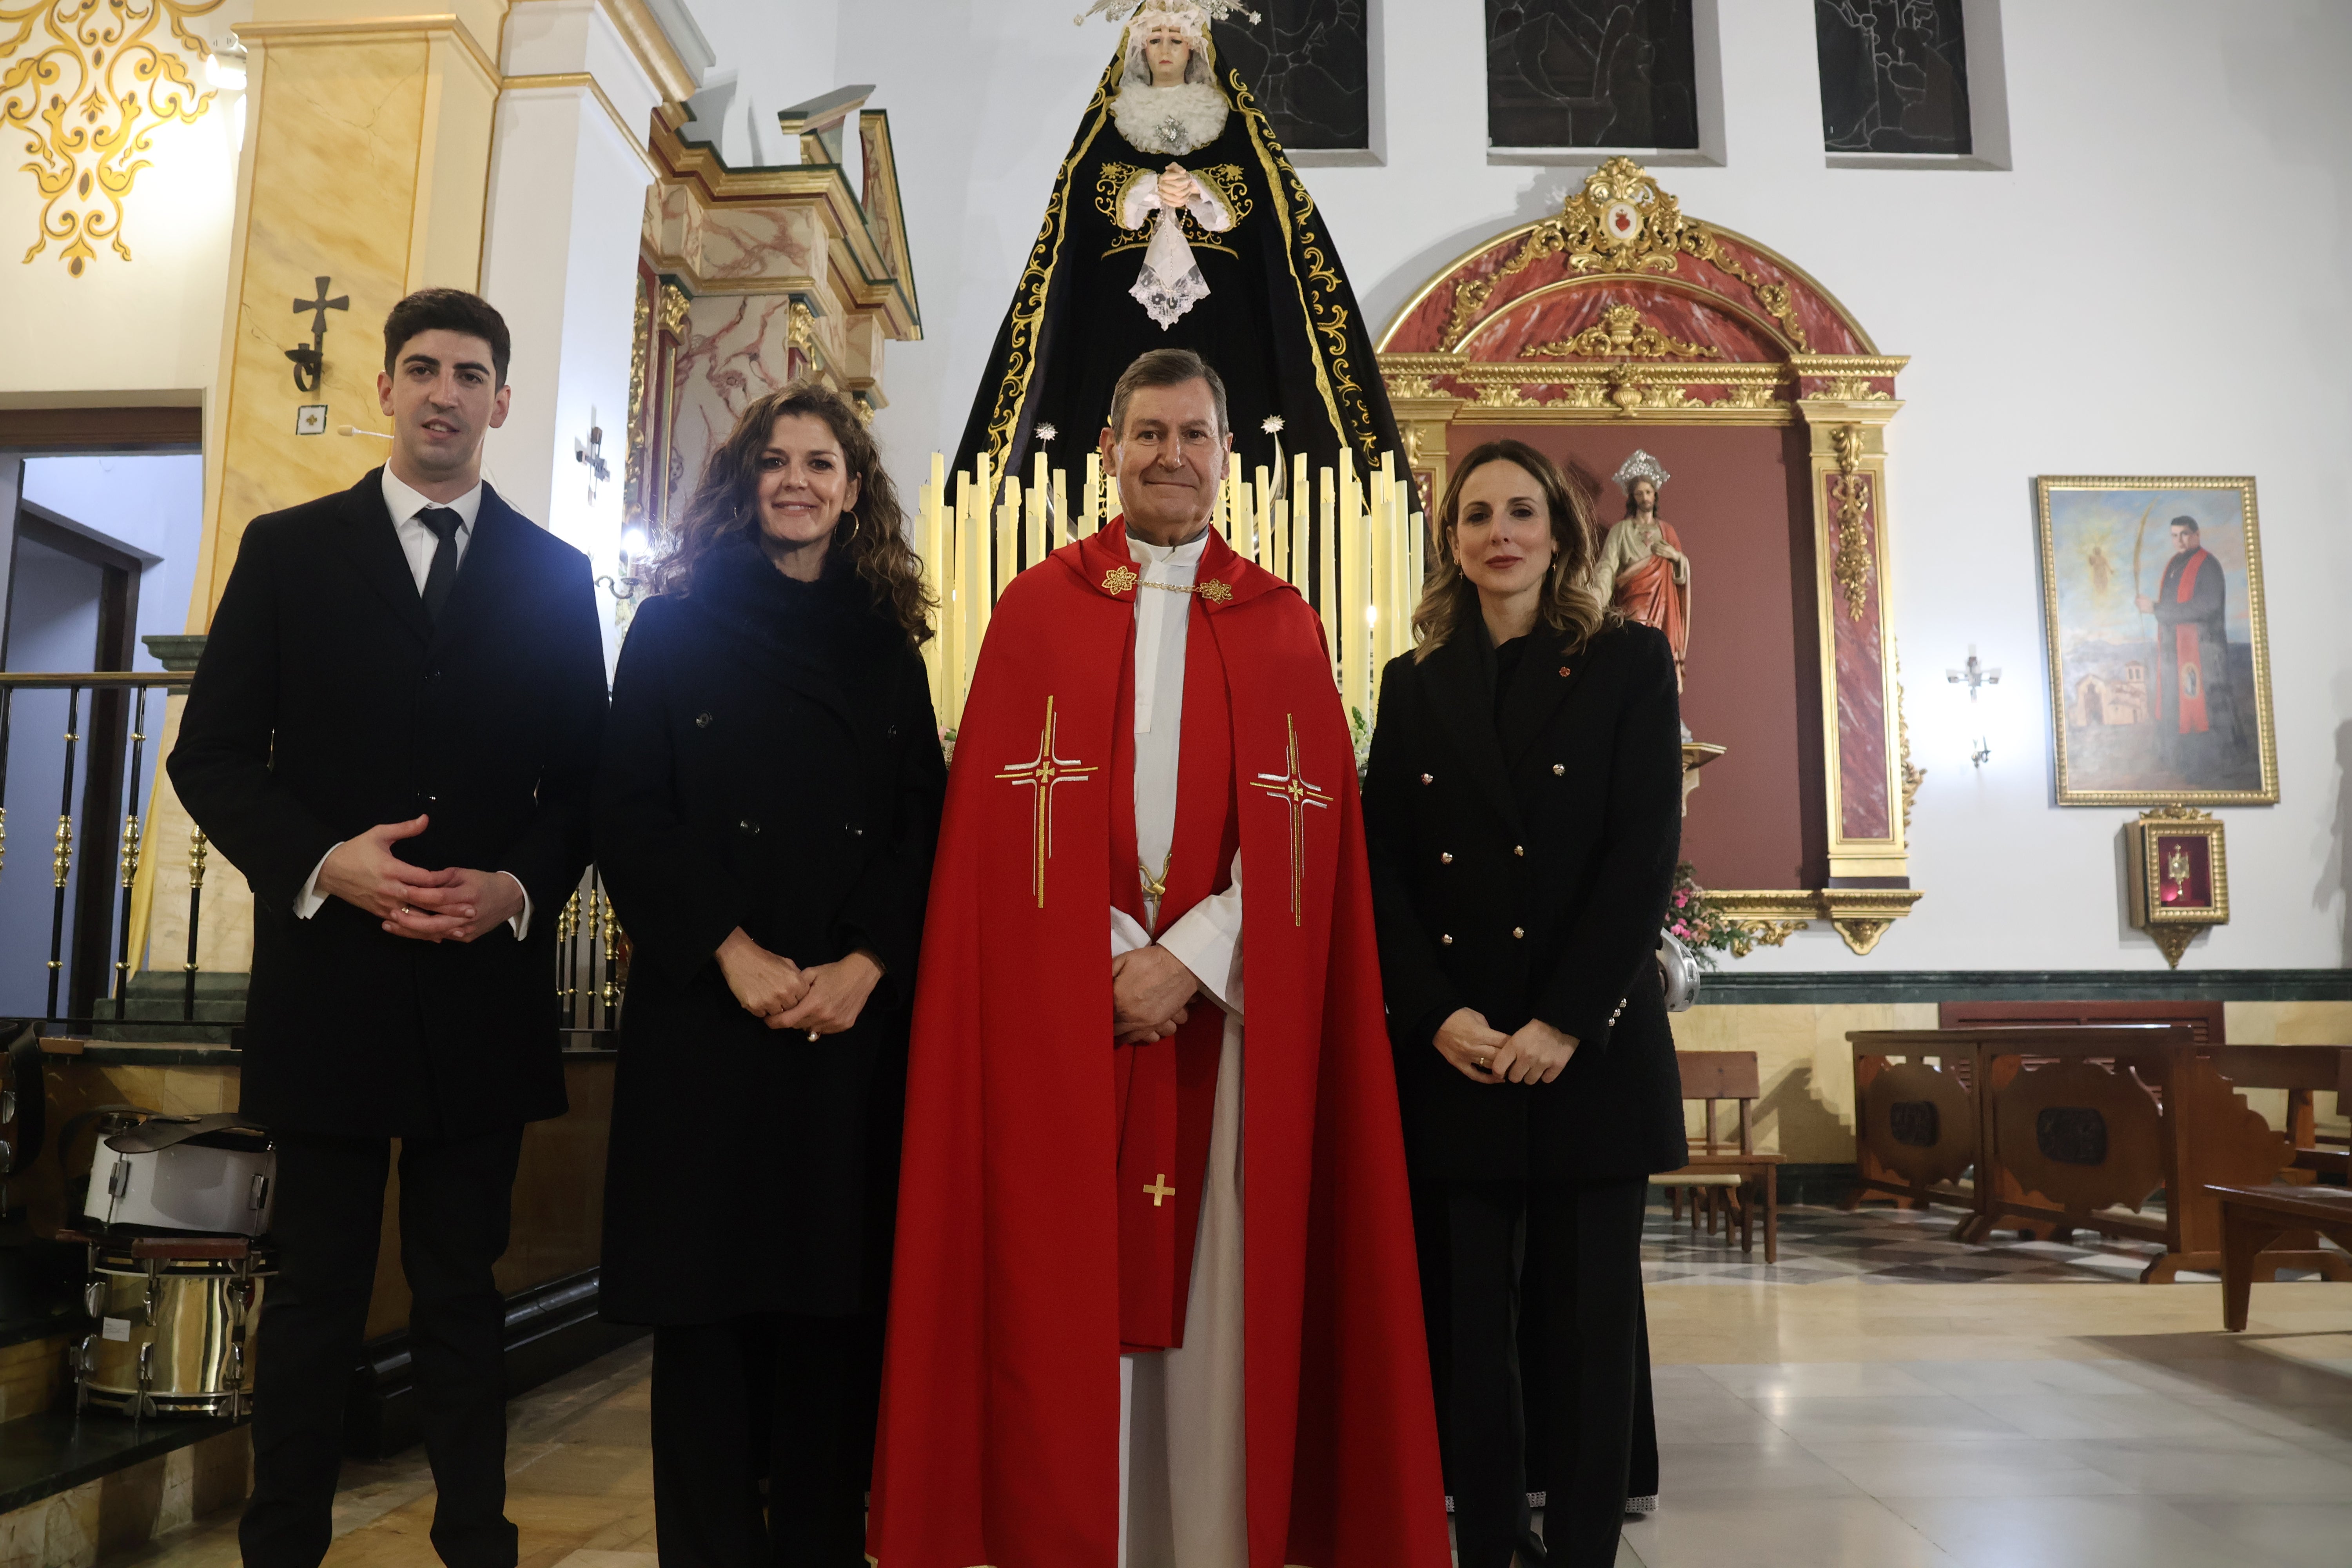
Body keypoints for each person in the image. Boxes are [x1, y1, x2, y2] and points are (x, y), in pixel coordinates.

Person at [869, 348, 1449, 1568]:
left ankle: (1206, 1540)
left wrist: (1186, 957)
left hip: (1230, 1023)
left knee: (1223, 1296)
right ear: (1108, 452)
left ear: (1223, 455)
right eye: (1146, 432)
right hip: (1062, 1016)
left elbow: (1310, 831)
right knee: (1057, 1283)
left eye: (1191, 433)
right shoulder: (1035, 610)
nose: (1169, 454)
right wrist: (1103, 955)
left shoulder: (1283, 624)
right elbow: (992, 822)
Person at [169, 289, 608, 1568]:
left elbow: (582, 785)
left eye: (469, 373)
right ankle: (279, 1552)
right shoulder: (289, 550)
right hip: (332, 985)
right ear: (383, 389)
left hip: (480, 988)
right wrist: (324, 862)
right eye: (420, 368)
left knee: (466, 1297)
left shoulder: (555, 574)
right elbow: (214, 758)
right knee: (311, 1301)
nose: (442, 393)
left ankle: (478, 1544)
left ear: (502, 403)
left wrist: (515, 890)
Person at [592, 383, 945, 1567]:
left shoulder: (889, 649)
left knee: (828, 1330)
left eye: (822, 463)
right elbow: (628, 810)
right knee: (703, 1330)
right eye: (776, 461)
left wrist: (865, 964)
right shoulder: (671, 626)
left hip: (844, 1030)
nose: (797, 479)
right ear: (745, 484)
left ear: (854, 493)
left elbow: (919, 829)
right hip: (709, 1017)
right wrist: (731, 952)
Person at [1362, 439, 1687, 1568]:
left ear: (1560, 532)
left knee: (1587, 1335)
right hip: (1460, 1050)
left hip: (1584, 1048)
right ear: (1451, 541)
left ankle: (1586, 1548)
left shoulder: (1629, 665)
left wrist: (1564, 1021)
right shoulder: (1413, 686)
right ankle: (1488, 1543)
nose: (1497, 533)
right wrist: (1433, 1011)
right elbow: (1382, 868)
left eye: (1519, 512)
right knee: (1471, 1340)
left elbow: (1641, 857)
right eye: (1474, 516)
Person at [956, 0, 1404, 487]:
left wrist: (1202, 191)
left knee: (1227, 406)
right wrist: (1143, 190)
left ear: (1194, 46)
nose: (1165, 50)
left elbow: (1262, 198)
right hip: (1121, 303)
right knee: (1114, 403)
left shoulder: (1232, 123)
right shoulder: (1109, 123)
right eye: (1154, 39)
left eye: (1176, 38)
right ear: (1138, 47)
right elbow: (1082, 195)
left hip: (1220, 305)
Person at [2134, 514, 2246, 775]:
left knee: (2207, 707)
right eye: (2175, 536)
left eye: (2184, 534)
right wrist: (2155, 608)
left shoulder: (2208, 565)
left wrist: (2157, 609)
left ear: (2196, 535)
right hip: (2176, 652)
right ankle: (2178, 761)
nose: (2180, 541)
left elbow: (2206, 607)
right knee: (2175, 701)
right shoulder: (2174, 564)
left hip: (2204, 653)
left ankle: (2210, 766)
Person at [1593, 449, 1690, 683]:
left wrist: (1676, 557)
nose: (1645, 497)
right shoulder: (1621, 530)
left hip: (1665, 606)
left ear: (1655, 495)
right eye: (1639, 493)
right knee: (1635, 652)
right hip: (1633, 600)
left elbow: (1681, 579)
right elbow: (1607, 566)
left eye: (1648, 492)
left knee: (1661, 655)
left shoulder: (1667, 532)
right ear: (1632, 498)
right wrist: (1598, 596)